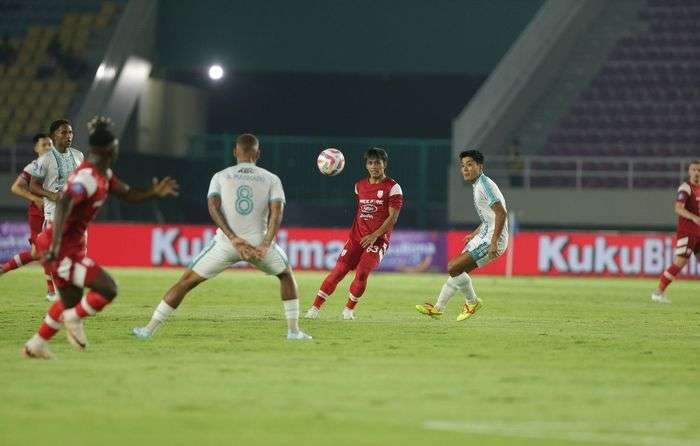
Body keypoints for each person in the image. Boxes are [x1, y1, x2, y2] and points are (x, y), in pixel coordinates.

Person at [22, 117, 179, 359]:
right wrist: (54, 246)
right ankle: (72, 317)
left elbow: (127, 194)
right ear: (107, 150)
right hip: (60, 247)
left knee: (71, 297)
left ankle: (36, 345)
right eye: (115, 146)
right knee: (108, 288)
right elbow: (64, 202)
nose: (117, 150)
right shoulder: (86, 177)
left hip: (67, 246)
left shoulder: (103, 173)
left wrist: (153, 193)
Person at [132, 134, 312, 340]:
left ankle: (148, 329)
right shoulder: (271, 178)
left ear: (235, 152)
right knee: (286, 275)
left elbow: (213, 207)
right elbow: (277, 212)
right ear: (258, 154)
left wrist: (233, 238)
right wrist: (265, 243)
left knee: (186, 282)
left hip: (226, 244)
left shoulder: (220, 176)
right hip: (258, 244)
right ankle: (293, 331)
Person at [305, 147, 403, 320]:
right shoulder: (359, 186)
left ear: (384, 164)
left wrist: (375, 235)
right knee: (338, 272)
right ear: (366, 165)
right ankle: (314, 308)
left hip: (378, 241)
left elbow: (392, 218)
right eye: (370, 163)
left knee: (363, 272)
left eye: (378, 163)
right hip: (356, 239)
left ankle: (349, 309)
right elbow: (362, 211)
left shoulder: (393, 188)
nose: (374, 166)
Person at [416, 149, 508, 321]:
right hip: (484, 235)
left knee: (453, 267)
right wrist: (475, 233)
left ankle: (472, 302)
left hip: (493, 239)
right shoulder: (478, 184)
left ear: (480, 166)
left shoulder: (485, 185)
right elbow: (490, 217)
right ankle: (438, 308)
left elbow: (501, 213)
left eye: (470, 164)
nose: (465, 169)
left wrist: (494, 241)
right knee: (457, 271)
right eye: (463, 166)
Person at [0, 134, 57, 301]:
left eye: (50, 144)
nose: (48, 147)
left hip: (55, 213)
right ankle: (51, 291)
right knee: (43, 250)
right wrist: (34, 198)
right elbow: (16, 187)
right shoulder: (33, 167)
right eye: (44, 145)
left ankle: (3, 269)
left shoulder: (59, 166)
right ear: (36, 149)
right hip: (38, 214)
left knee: (35, 252)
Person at [651, 160, 700, 303]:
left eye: (699, 170)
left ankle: (658, 293)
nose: (697, 173)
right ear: (689, 171)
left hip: (698, 233)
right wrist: (694, 218)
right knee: (679, 263)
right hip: (687, 232)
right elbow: (678, 208)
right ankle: (658, 293)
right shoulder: (686, 188)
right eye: (694, 170)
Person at [30, 119, 84, 229]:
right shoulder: (44, 158)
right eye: (64, 132)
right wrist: (52, 195)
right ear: (53, 136)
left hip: (76, 216)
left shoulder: (79, 155)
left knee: (78, 247)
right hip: (53, 216)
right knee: (54, 246)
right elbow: (33, 185)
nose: (68, 136)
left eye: (70, 132)